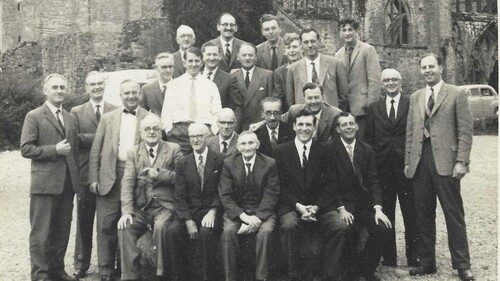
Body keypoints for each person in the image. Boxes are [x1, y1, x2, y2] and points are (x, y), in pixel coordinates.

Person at [405, 53, 474, 281]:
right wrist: (408, 162)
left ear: (441, 67)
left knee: (453, 214)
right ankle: (427, 263)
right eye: (424, 67)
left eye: (431, 66)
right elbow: (410, 133)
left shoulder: (456, 93)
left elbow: (465, 131)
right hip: (420, 163)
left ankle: (462, 265)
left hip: (446, 162)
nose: (427, 71)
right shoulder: (415, 97)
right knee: (423, 215)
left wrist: (462, 161)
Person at [88, 79, 151, 281]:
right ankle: (105, 270)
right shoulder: (108, 118)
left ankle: (125, 270)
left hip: (136, 176)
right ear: (120, 95)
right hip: (109, 174)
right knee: (106, 224)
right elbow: (95, 150)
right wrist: (93, 177)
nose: (131, 96)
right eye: (127, 93)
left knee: (128, 223)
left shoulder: (149, 118)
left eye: (134, 92)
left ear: (140, 94)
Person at [21, 74, 80, 281]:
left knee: (62, 230)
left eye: (62, 87)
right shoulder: (34, 116)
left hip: (67, 183)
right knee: (41, 233)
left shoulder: (71, 118)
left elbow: (75, 149)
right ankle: (40, 274)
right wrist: (53, 150)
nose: (59, 91)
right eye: (54, 87)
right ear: (45, 90)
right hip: (44, 184)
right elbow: (26, 148)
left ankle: (57, 270)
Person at [274, 108, 345, 281]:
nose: (304, 128)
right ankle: (294, 275)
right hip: (292, 205)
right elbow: (279, 186)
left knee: (339, 227)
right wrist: (298, 207)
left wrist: (317, 207)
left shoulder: (325, 150)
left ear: (314, 128)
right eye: (300, 124)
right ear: (293, 127)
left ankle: (328, 275)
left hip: (319, 206)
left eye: (308, 125)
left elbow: (331, 184)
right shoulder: (280, 151)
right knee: (289, 225)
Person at [364, 68, 419, 267]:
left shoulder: (411, 104)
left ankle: (414, 256)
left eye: (394, 79)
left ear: (401, 82)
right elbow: (368, 139)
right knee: (386, 211)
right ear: (381, 83)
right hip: (383, 167)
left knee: (410, 212)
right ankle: (389, 257)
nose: (390, 83)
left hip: (405, 166)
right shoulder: (373, 108)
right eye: (386, 80)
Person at [117, 114, 182, 281]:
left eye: (155, 129)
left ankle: (160, 274)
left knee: (161, 227)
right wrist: (127, 212)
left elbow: (183, 178)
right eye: (147, 129)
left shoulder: (174, 149)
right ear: (141, 132)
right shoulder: (133, 152)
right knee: (125, 226)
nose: (151, 132)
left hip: (164, 207)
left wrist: (159, 174)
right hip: (143, 208)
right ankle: (130, 275)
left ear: (161, 132)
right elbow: (127, 182)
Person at [328, 112, 392, 281]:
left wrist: (378, 208)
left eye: (351, 123)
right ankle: (350, 272)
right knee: (347, 228)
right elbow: (329, 183)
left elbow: (373, 180)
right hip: (341, 204)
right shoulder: (329, 149)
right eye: (344, 125)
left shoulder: (366, 149)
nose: (348, 127)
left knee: (382, 227)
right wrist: (340, 208)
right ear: (337, 129)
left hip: (363, 204)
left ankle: (365, 270)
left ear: (356, 126)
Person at [70, 71, 118, 278]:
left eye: (100, 83)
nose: (97, 87)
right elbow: (74, 139)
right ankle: (81, 264)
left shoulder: (116, 110)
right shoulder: (76, 111)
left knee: (107, 221)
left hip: (108, 172)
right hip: (84, 173)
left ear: (104, 85)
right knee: (84, 218)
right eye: (92, 84)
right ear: (86, 88)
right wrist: (101, 137)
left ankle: (107, 266)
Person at [166, 123, 225, 281]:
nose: (195, 140)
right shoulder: (183, 163)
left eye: (199, 136)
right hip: (190, 212)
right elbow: (179, 195)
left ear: (207, 137)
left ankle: (209, 277)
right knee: (173, 231)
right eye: (192, 136)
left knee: (206, 233)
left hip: (211, 211)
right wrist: (188, 220)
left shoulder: (220, 159)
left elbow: (223, 190)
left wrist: (213, 212)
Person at [219, 131, 279, 281]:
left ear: (257, 145)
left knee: (265, 232)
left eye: (251, 143)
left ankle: (261, 277)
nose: (247, 147)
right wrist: (243, 216)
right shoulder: (229, 163)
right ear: (238, 147)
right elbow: (225, 195)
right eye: (243, 144)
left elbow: (271, 194)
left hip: (262, 212)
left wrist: (257, 219)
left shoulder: (270, 163)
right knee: (228, 232)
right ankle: (230, 278)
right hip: (238, 212)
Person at [160, 47, 222, 154]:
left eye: (197, 61)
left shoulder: (210, 85)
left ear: (202, 63)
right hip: (179, 133)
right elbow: (166, 111)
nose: (194, 64)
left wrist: (213, 131)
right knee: (180, 165)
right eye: (190, 61)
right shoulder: (174, 85)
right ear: (184, 63)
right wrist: (169, 130)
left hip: (204, 132)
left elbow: (217, 112)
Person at [334, 18, 382, 139]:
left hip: (363, 107)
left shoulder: (367, 50)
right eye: (343, 30)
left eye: (350, 29)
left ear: (356, 31)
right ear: (340, 33)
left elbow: (375, 80)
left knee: (363, 141)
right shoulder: (338, 55)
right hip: (345, 108)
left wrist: (371, 106)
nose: (347, 33)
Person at [286, 28, 349, 108]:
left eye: (313, 41)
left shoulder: (335, 63)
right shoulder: (293, 69)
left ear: (318, 41)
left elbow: (344, 95)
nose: (310, 45)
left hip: (330, 115)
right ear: (301, 44)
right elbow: (290, 99)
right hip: (304, 116)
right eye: (306, 42)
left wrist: (334, 113)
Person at [230, 43, 273, 131]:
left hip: (260, 126)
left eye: (250, 55)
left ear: (256, 57)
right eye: (244, 55)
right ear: (238, 57)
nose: (247, 58)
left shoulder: (267, 75)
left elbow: (271, 102)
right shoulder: (232, 76)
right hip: (239, 126)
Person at [201, 42, 238, 108]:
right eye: (208, 54)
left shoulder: (229, 79)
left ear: (220, 57)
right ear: (202, 56)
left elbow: (235, 106)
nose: (212, 58)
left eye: (215, 54)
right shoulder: (196, 77)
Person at [273, 32, 302, 110]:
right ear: (285, 52)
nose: (291, 51)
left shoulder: (308, 66)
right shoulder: (279, 73)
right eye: (288, 48)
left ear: (301, 48)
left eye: (295, 47)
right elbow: (278, 97)